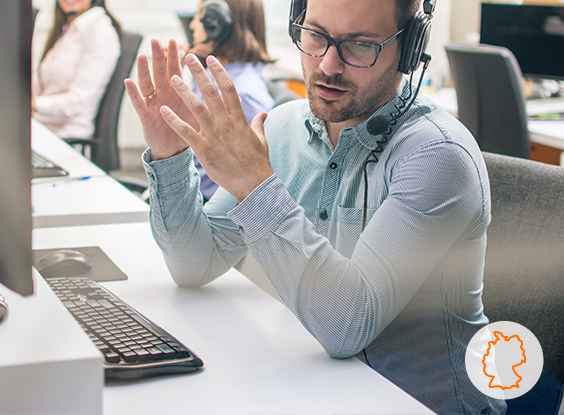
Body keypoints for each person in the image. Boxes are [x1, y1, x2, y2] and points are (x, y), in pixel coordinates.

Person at [124, 0, 505, 413]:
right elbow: (194, 263)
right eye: (316, 36)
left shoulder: (436, 156)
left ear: (410, 49)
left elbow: (347, 326)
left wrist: (256, 186)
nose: (328, 65)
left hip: (423, 403)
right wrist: (169, 156)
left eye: (359, 45)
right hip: (324, 389)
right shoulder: (283, 127)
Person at [187, 0, 275, 201]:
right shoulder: (214, 76)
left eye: (198, 15)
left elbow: (251, 184)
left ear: (215, 22)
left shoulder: (242, 94)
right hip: (191, 195)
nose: (192, 25)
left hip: (208, 208)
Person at [32, 0, 121, 139]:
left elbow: (75, 103)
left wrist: (32, 104)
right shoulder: (68, 30)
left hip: (65, 139)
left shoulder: (100, 32)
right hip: (42, 131)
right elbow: (43, 85)